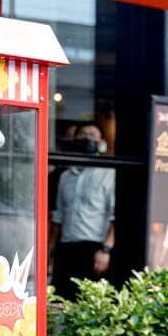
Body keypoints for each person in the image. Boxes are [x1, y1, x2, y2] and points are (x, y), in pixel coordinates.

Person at [49, 122, 115, 300]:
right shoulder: (65, 176)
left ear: (101, 141)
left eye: (92, 134)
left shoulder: (108, 174)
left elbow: (114, 216)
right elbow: (58, 218)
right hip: (66, 248)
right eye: (82, 135)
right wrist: (50, 252)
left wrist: (105, 250)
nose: (87, 138)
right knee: (61, 300)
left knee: (89, 303)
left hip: (93, 249)